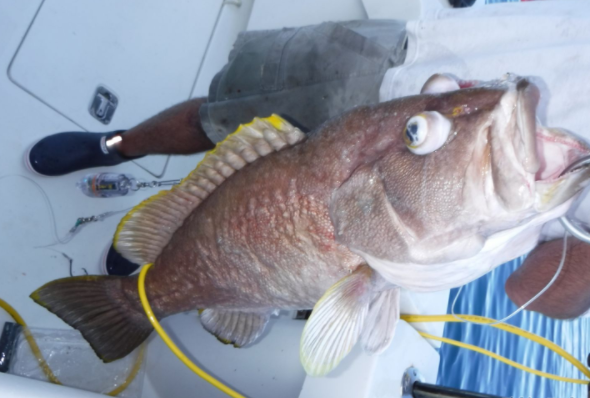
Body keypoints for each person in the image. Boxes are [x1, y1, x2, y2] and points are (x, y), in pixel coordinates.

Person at [24, 3, 590, 320]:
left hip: (421, 189)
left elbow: (528, 291)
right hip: (407, 62)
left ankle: (148, 294)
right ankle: (119, 144)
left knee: (254, 206)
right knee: (221, 112)